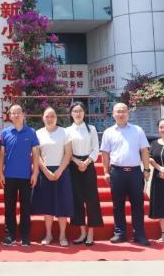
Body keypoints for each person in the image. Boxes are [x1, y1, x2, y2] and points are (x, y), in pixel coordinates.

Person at [101, 102, 151, 246]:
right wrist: (106, 172)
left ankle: (139, 234)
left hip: (135, 172)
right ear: (113, 114)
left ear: (128, 113)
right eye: (118, 111)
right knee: (118, 204)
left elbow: (144, 150)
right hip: (117, 172)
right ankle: (119, 233)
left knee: (138, 204)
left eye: (124, 111)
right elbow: (105, 153)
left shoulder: (137, 130)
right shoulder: (108, 132)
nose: (121, 114)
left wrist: (146, 170)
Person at [31, 107, 74, 247]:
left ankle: (62, 235)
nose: (50, 119)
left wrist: (60, 170)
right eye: (47, 116)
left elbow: (68, 153)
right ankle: (48, 234)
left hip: (62, 171)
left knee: (63, 204)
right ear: (42, 118)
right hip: (45, 172)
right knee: (47, 204)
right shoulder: (38, 133)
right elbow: (36, 155)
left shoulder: (64, 132)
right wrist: (45, 171)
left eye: (52, 116)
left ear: (57, 117)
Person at [0, 104, 39, 247]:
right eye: (13, 113)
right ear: (9, 116)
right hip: (9, 176)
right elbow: (1, 155)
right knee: (9, 207)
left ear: (23, 115)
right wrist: (0, 173)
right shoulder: (5, 133)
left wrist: (35, 173)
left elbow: (36, 154)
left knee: (25, 208)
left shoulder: (31, 132)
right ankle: (10, 236)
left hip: (26, 176)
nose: (16, 115)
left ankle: (25, 236)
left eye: (18, 112)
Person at [66, 102, 103, 246]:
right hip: (73, 165)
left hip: (88, 164)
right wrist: (76, 161)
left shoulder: (91, 129)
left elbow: (95, 148)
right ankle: (82, 232)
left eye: (80, 111)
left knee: (91, 199)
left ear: (84, 113)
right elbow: (66, 151)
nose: (78, 113)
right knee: (77, 199)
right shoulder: (67, 131)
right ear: (71, 114)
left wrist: (86, 163)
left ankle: (91, 233)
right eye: (75, 111)